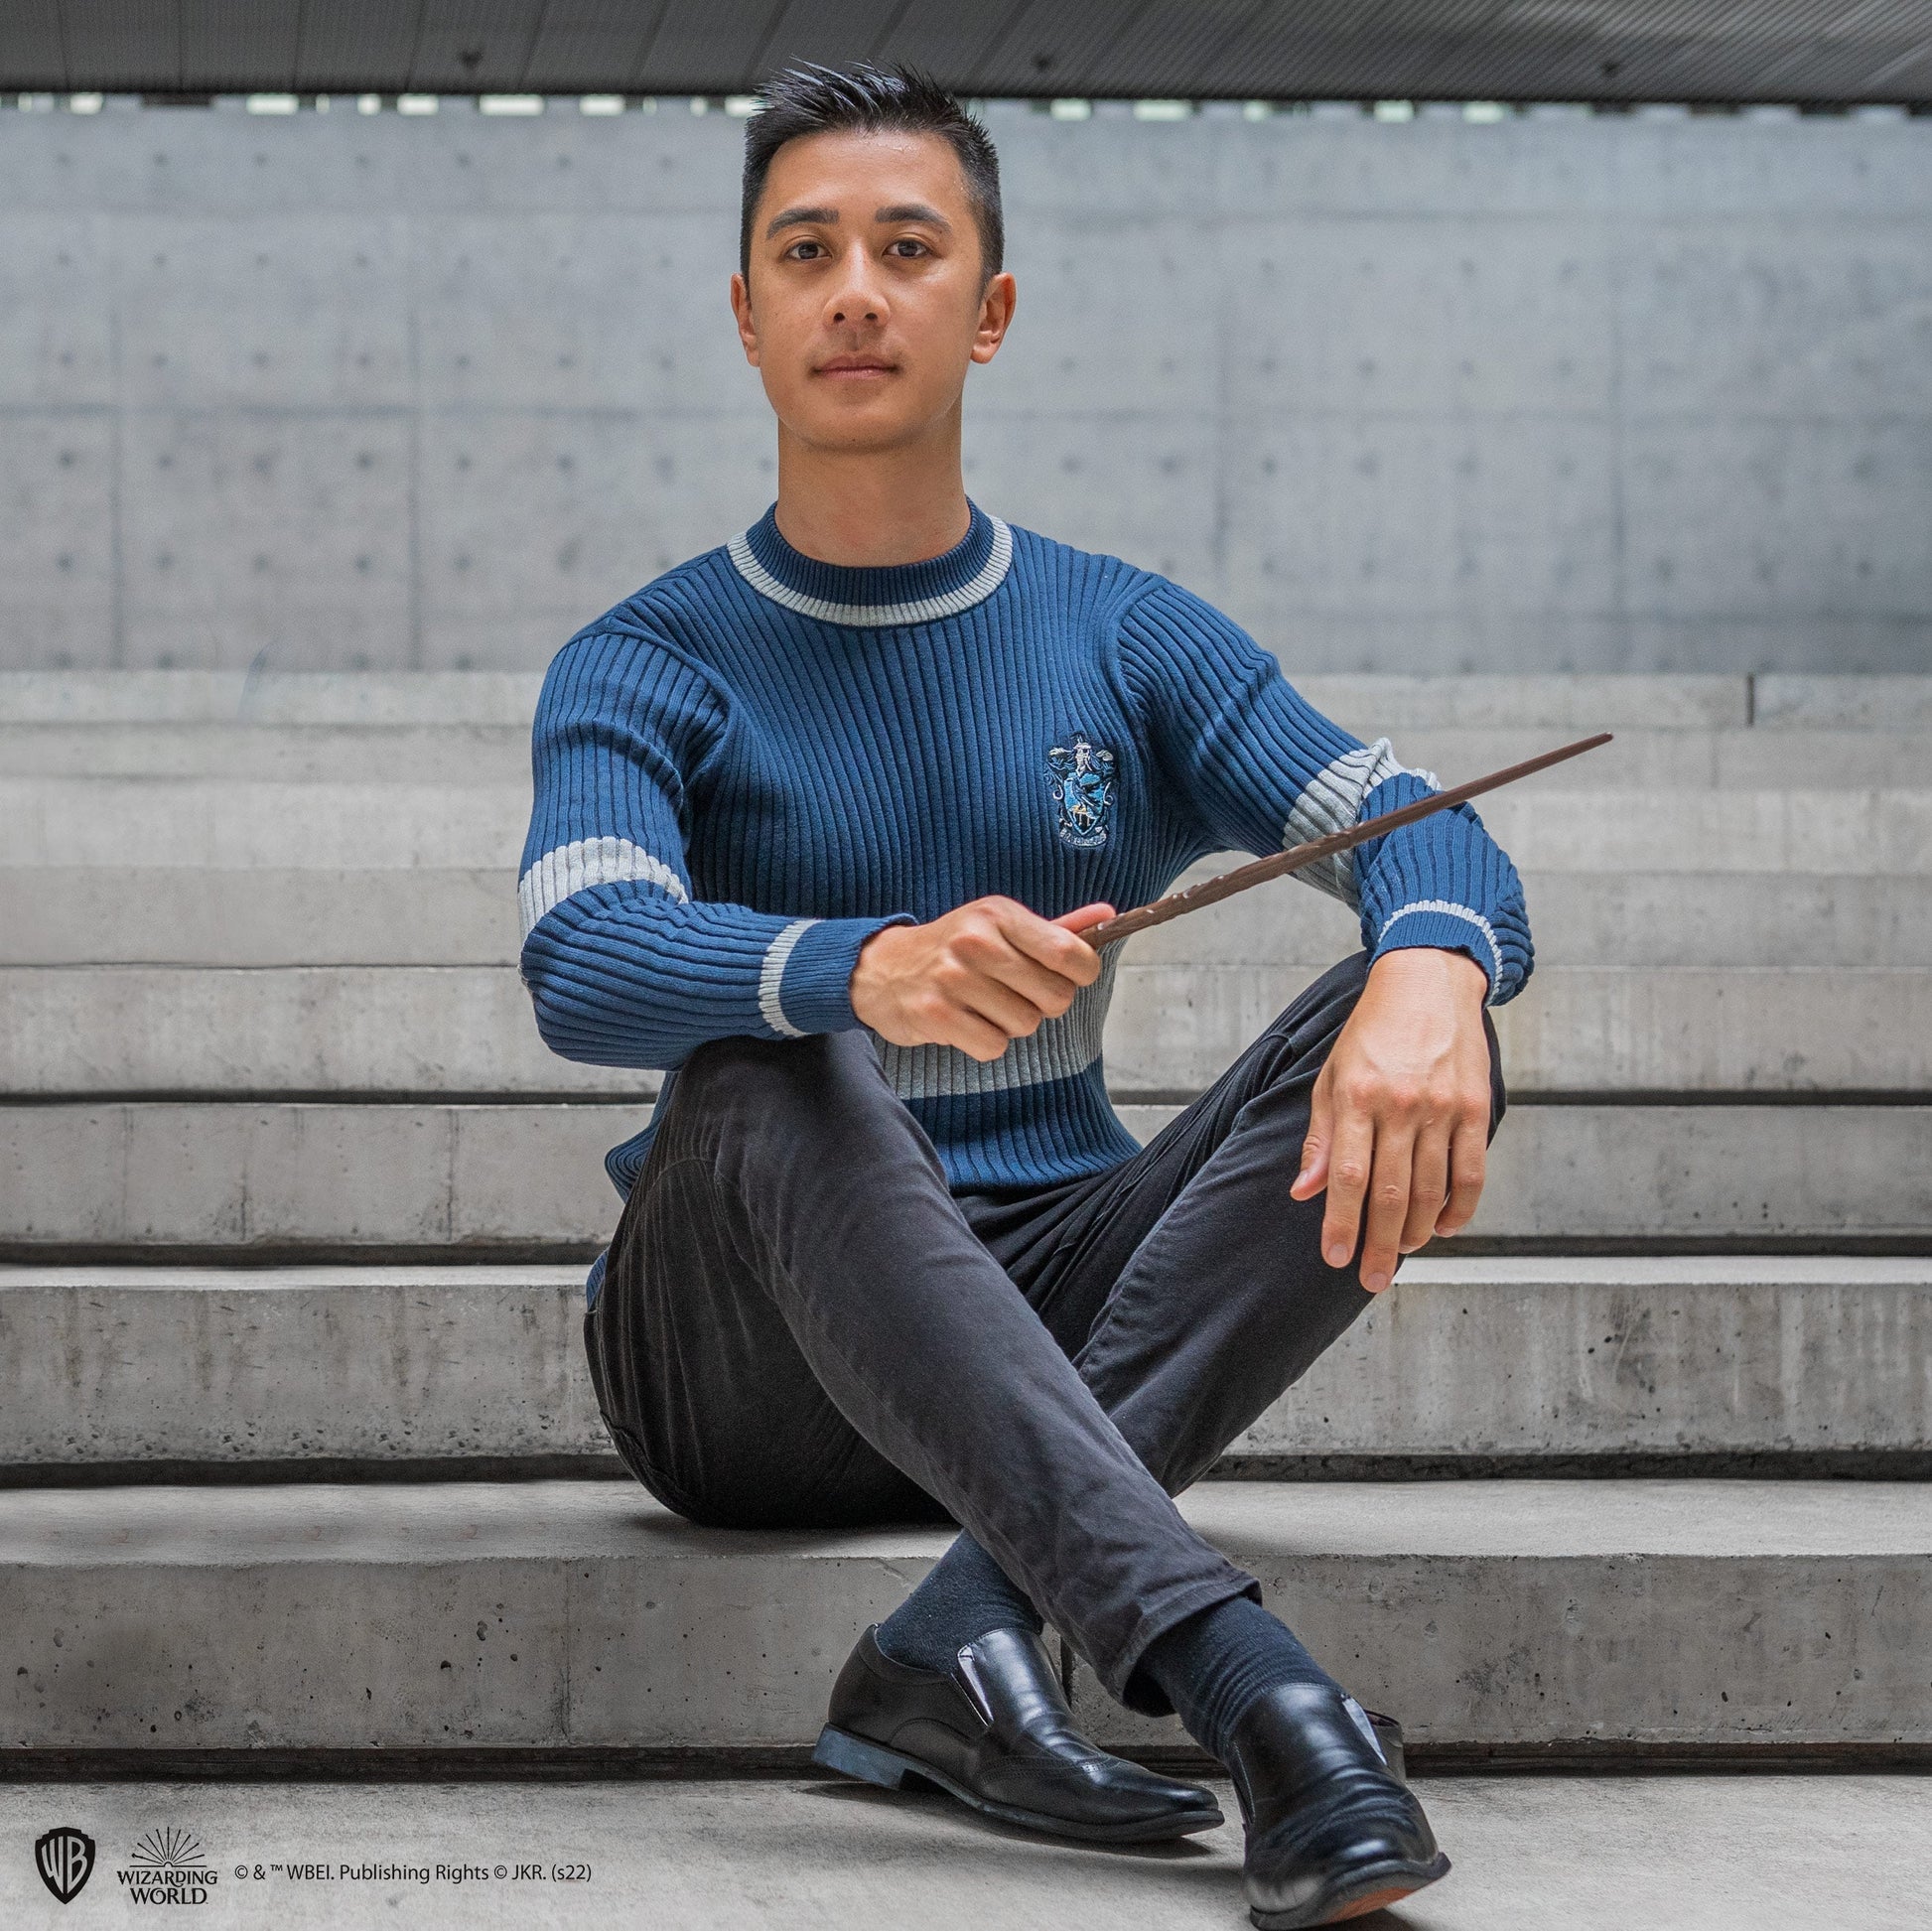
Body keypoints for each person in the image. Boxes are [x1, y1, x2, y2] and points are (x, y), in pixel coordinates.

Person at [518, 62, 1528, 1931]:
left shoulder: (1119, 633)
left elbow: (1424, 823)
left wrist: (1430, 963)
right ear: (744, 314)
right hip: (736, 1360)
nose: (854, 292)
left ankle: (957, 1633)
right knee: (777, 1057)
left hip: (1047, 1296)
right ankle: (1245, 1684)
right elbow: (580, 960)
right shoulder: (644, 656)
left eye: (907, 249)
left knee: (1400, 1009)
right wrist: (859, 965)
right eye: (805, 252)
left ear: (986, 310)